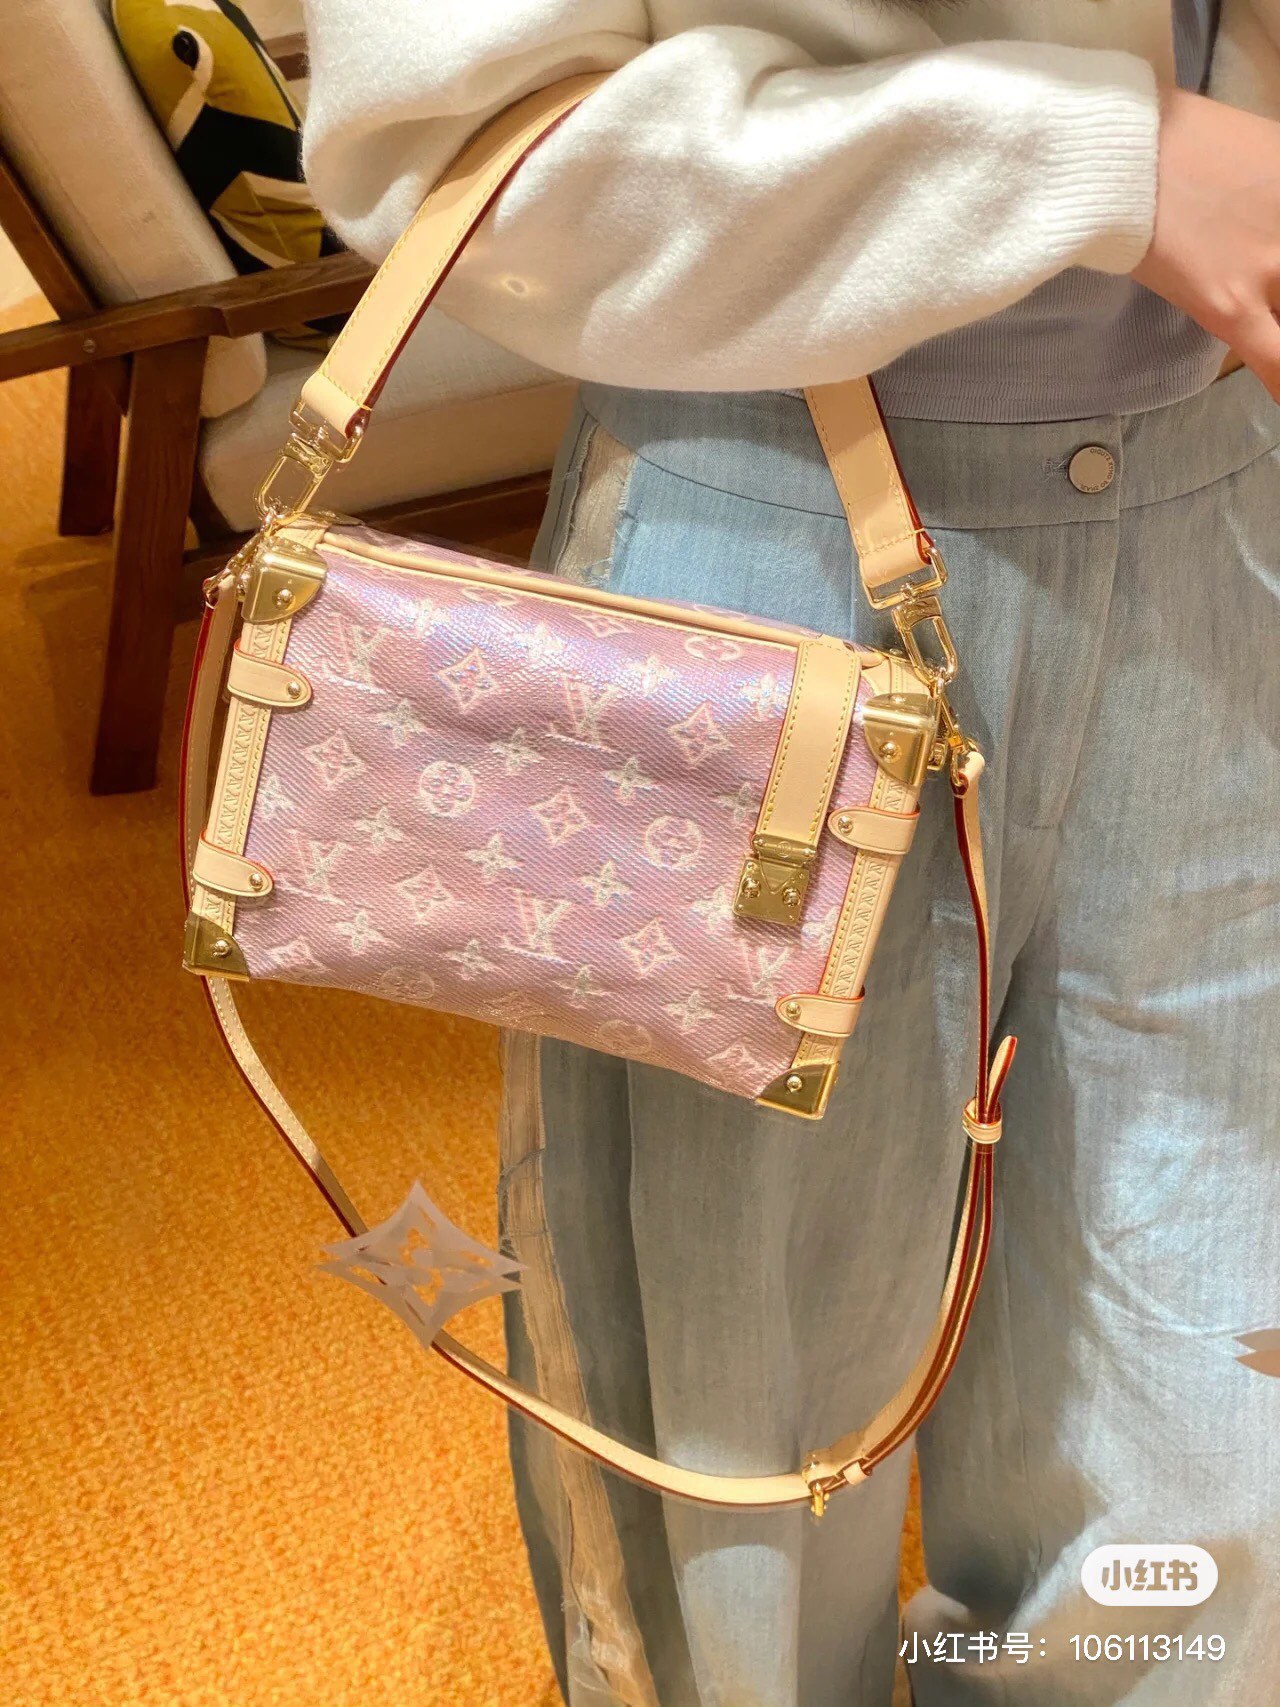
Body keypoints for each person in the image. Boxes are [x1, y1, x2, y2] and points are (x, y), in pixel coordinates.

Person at [297, 4, 1280, 1702]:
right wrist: (1108, 164)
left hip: (1228, 491)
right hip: (765, 533)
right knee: (746, 1410)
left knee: (1205, 1375)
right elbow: (454, 141)